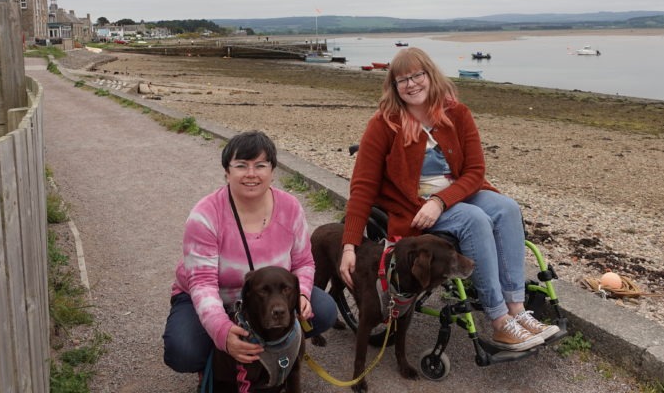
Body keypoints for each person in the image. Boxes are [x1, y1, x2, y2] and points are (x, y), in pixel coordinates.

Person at [339, 47, 560, 352]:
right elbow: (362, 187)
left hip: (453, 196)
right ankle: (499, 321)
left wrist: (440, 201)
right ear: (393, 86)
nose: (411, 83)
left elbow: (475, 170)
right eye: (402, 79)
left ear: (430, 75)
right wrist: (349, 245)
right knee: (474, 219)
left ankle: (517, 310)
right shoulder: (384, 123)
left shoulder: (456, 113)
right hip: (413, 207)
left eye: (417, 75)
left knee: (507, 208)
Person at [163, 130, 336, 373]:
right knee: (183, 352)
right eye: (241, 165)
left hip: (267, 296)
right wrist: (221, 332)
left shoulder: (290, 208)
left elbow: (304, 262)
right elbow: (202, 283)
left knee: (324, 310)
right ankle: (219, 360)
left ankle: (271, 349)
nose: (251, 174)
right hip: (214, 296)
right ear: (227, 172)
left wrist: (303, 294)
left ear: (273, 172)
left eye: (261, 165)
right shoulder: (205, 215)